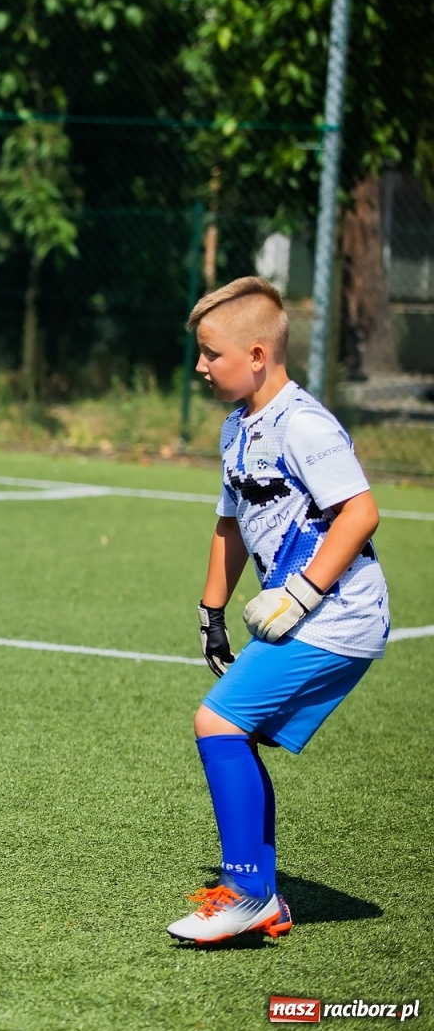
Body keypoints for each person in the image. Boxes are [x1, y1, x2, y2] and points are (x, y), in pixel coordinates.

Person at [171, 276, 389, 944]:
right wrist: (213, 612)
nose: (201, 367)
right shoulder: (240, 429)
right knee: (229, 729)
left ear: (259, 355)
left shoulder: (303, 423)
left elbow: (361, 512)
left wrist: (299, 593)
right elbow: (229, 524)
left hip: (338, 614)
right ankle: (257, 893)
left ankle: (246, 894)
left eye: (211, 354)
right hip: (307, 615)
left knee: (217, 722)